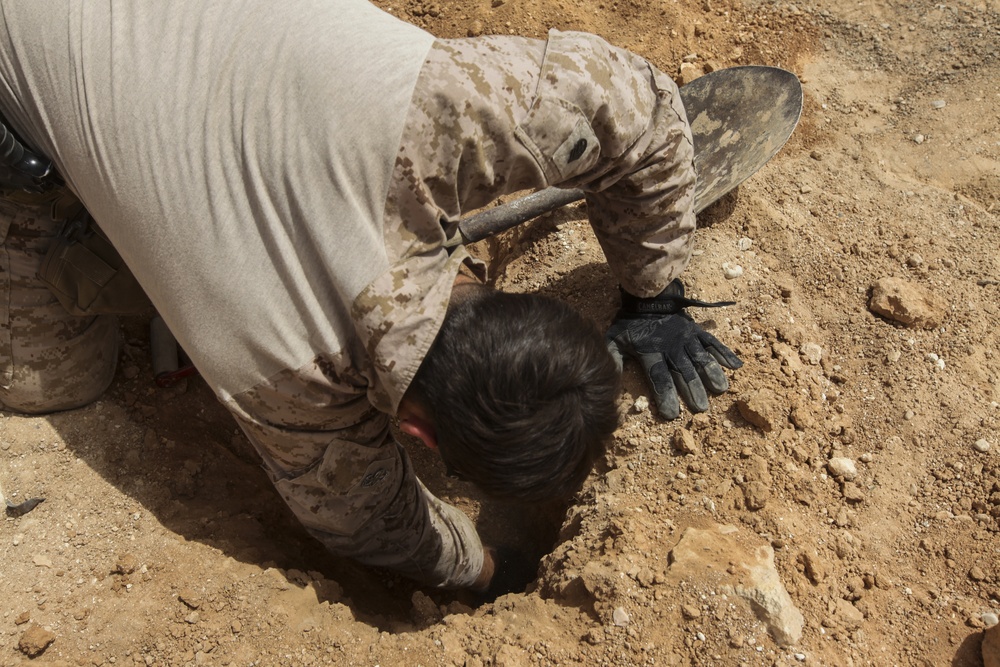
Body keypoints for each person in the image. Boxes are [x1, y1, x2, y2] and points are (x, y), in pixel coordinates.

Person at [0, 0, 742, 593]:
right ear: (416, 436)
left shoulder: (448, 110)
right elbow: (366, 520)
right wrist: (482, 569)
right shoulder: (289, 377)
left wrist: (654, 294)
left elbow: (640, 104)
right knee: (51, 384)